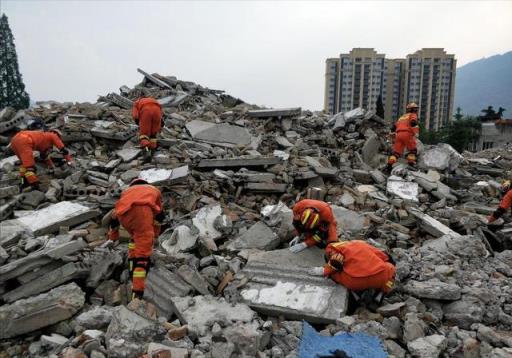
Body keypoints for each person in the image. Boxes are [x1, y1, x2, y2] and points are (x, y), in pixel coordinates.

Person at [106, 178, 165, 299]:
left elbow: (114, 215)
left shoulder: (127, 191)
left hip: (124, 216)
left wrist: (113, 237)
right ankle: (137, 293)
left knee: (135, 238)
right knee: (143, 256)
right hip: (142, 213)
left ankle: (132, 269)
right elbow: (160, 215)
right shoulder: (154, 190)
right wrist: (155, 235)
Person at [309, 240, 396, 298]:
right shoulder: (360, 243)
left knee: (334, 274)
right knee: (390, 271)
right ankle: (383, 292)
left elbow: (336, 262)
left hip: (355, 281)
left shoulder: (332, 248)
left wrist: (324, 270)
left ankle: (357, 295)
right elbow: (385, 257)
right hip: (380, 276)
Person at [387, 102, 420, 168]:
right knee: (412, 150)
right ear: (413, 110)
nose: (416, 111)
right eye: (415, 109)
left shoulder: (402, 117)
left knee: (396, 152)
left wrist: (390, 134)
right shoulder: (413, 115)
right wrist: (416, 131)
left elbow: (393, 127)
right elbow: (413, 122)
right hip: (407, 134)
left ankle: (389, 164)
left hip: (398, 135)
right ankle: (411, 164)